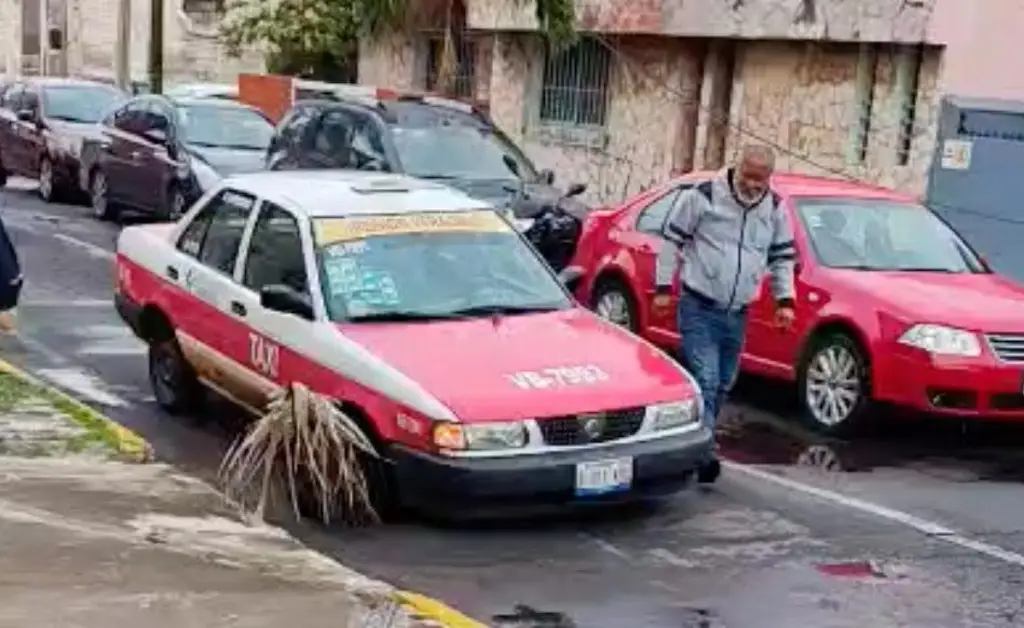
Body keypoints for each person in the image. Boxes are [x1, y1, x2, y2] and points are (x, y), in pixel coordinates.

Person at [664, 145, 797, 484]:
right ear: (737, 168)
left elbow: (782, 256)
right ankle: (704, 452)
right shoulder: (704, 196)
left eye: (759, 180)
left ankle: (695, 437)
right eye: (747, 176)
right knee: (706, 378)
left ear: (769, 178)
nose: (752, 185)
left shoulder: (775, 208)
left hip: (737, 311)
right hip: (698, 305)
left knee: (724, 381)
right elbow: (671, 241)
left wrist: (785, 301)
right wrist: (663, 287)